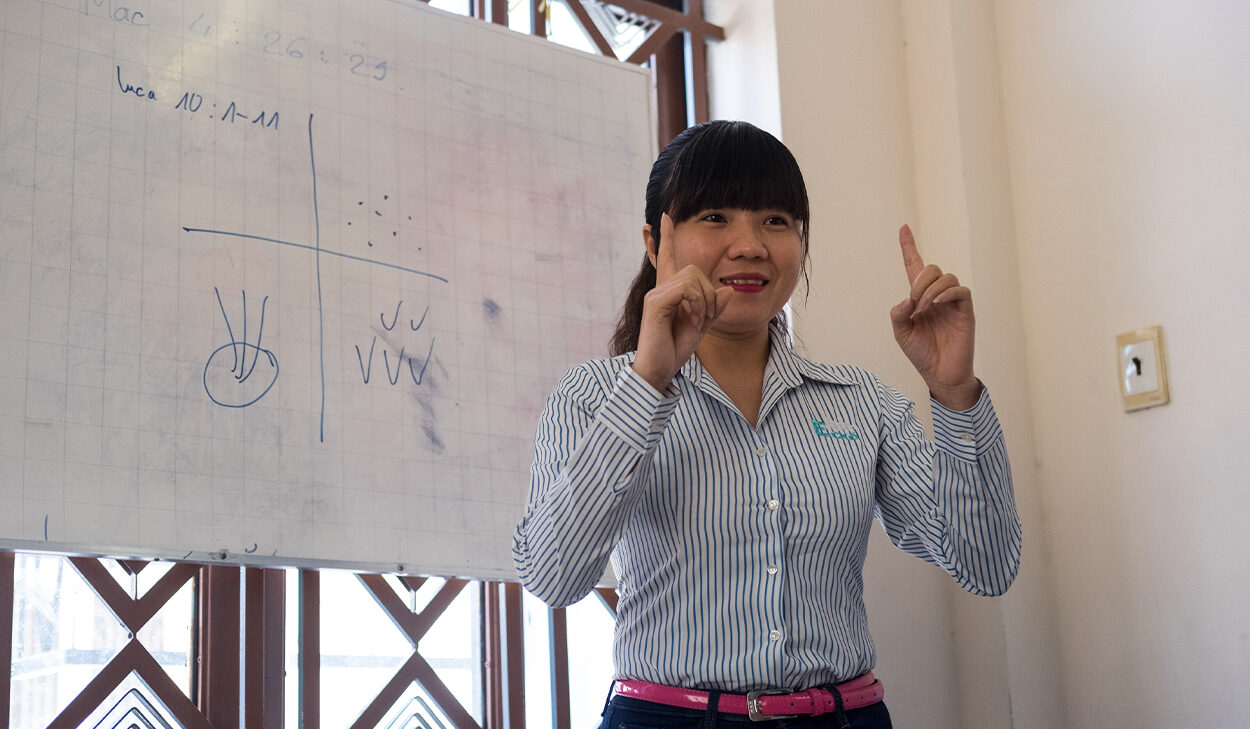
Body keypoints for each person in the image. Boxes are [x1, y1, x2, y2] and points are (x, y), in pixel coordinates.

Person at [513, 120, 1021, 728]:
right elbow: (553, 577)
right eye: (715, 217)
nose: (751, 244)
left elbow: (987, 565)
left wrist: (955, 392)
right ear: (655, 243)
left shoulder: (863, 403)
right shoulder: (591, 396)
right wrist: (648, 384)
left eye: (776, 220)